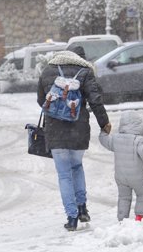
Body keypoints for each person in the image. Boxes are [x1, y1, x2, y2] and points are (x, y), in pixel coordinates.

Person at [37, 45, 111, 231]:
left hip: (55, 129)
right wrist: (104, 122)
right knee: (77, 167)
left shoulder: (48, 70)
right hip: (79, 128)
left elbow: (40, 100)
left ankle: (71, 218)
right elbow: (95, 99)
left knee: (64, 175)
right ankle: (82, 208)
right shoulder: (85, 71)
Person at [98, 110, 143, 222]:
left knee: (124, 197)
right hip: (137, 177)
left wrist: (104, 132)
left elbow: (104, 140)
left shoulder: (115, 139)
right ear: (139, 125)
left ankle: (122, 219)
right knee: (142, 194)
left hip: (121, 177)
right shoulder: (138, 140)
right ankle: (139, 217)